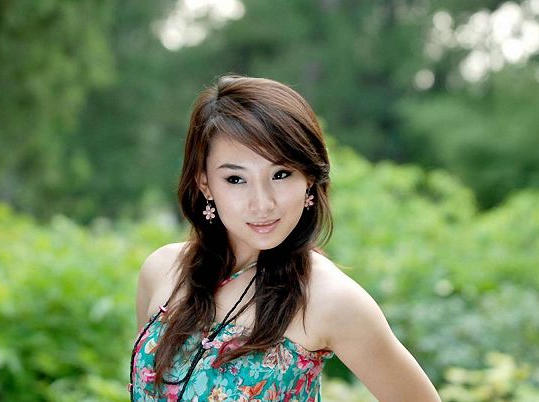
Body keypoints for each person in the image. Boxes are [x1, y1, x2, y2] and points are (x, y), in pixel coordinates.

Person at [129, 75, 441, 402]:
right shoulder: (163, 269)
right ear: (205, 183)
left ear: (309, 178)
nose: (262, 203)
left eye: (281, 174)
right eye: (235, 179)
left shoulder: (330, 298)